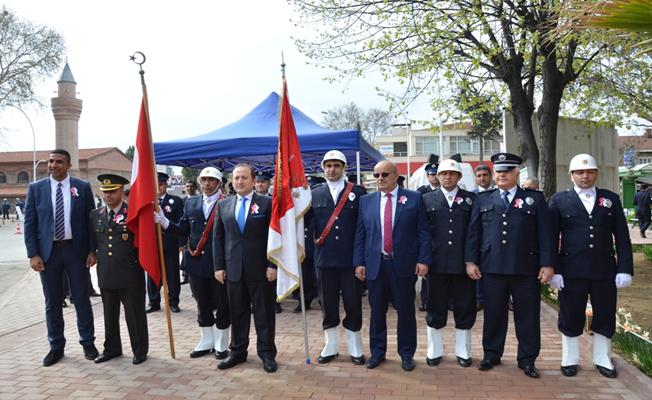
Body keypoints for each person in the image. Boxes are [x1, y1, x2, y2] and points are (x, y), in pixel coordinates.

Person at [466, 152, 555, 379]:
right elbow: (473, 234)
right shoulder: (483, 199)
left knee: (527, 316)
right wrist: (470, 261)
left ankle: (527, 360)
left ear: (517, 172)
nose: (502, 175)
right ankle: (491, 354)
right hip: (492, 267)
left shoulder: (534, 199)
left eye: (507, 171)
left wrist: (547, 264)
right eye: (499, 171)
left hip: (525, 268)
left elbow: (546, 234)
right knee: (494, 314)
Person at [549, 154, 633, 378]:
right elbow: (550, 238)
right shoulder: (559, 200)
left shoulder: (611, 199)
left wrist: (625, 268)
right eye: (579, 172)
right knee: (570, 314)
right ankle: (570, 358)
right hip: (571, 270)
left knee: (605, 314)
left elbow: (622, 237)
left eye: (589, 172)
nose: (584, 176)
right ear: (571, 175)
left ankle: (602, 358)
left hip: (604, 269)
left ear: (596, 173)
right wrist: (554, 270)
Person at [353, 160, 431, 371]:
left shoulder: (414, 199)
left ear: (396, 176)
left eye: (385, 174)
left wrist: (423, 260)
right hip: (375, 265)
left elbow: (423, 232)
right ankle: (377, 352)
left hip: (403, 264)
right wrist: (359, 262)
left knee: (405, 312)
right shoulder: (366, 201)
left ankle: (406, 353)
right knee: (377, 312)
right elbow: (360, 234)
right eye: (376, 175)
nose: (380, 179)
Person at [23, 149, 98, 366]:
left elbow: (90, 221)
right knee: (52, 301)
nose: (53, 165)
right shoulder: (36, 189)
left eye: (59, 162)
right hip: (48, 254)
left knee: (81, 299)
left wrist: (93, 250)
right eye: (51, 161)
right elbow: (30, 223)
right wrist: (33, 254)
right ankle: (56, 346)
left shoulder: (82, 188)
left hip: (76, 252)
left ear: (68, 165)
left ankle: (88, 343)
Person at [156, 167, 231, 360]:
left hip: (219, 264)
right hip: (196, 262)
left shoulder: (228, 202)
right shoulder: (191, 203)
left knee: (222, 303)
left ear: (219, 183)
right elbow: (183, 229)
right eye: (203, 180)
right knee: (202, 302)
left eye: (211, 180)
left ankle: (221, 343)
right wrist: (164, 222)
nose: (206, 184)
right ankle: (206, 340)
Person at [213, 163, 278, 373]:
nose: (239, 181)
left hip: (260, 269)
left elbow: (275, 238)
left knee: (264, 314)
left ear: (253, 180)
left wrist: (272, 264)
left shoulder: (267, 204)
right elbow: (218, 238)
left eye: (243, 178)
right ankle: (238, 352)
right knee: (238, 313)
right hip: (233, 270)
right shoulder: (224, 205)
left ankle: (267, 353)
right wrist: (219, 266)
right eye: (236, 178)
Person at [310, 150, 367, 365]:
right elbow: (306, 225)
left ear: (345, 168)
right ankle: (330, 345)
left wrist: (361, 259)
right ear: (323, 168)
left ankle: (355, 346)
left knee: (353, 303)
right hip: (324, 260)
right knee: (328, 303)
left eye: (336, 165)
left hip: (351, 260)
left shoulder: (359, 193)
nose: (332, 169)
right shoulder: (313, 193)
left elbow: (363, 228)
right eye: (328, 165)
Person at [422, 159, 478, 368]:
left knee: (464, 307)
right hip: (436, 265)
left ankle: (463, 351)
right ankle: (434, 350)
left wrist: (470, 261)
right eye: (443, 173)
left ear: (459, 177)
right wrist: (424, 260)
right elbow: (423, 234)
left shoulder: (471, 200)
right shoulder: (427, 199)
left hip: (462, 265)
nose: (447, 177)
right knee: (435, 307)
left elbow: (473, 233)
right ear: (437, 175)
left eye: (451, 174)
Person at [91, 174, 148, 365]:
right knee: (109, 315)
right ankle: (112, 348)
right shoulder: (96, 215)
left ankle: (140, 350)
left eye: (112, 192)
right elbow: (93, 243)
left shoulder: (133, 213)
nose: (108, 196)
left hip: (130, 273)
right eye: (105, 192)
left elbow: (145, 242)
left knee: (134, 314)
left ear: (122, 192)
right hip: (106, 273)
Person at [146, 172, 183, 313]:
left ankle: (173, 301)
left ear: (166, 185)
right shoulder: (148, 202)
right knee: (153, 274)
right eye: (156, 185)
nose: (159, 188)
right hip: (153, 244)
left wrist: (181, 243)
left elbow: (180, 224)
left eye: (161, 185)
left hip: (170, 243)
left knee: (172, 274)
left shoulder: (176, 201)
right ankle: (154, 301)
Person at [416, 162, 439, 311]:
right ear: (427, 176)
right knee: (427, 274)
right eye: (432, 174)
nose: (435, 177)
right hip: (427, 236)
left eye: (437, 173)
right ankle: (425, 301)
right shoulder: (421, 193)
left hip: (441, 237)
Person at [471, 164, 494, 311]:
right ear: (475, 179)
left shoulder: (498, 193)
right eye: (479, 176)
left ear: (491, 176)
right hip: (477, 239)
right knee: (477, 271)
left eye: (485, 175)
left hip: (493, 240)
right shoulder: (471, 196)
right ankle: (479, 299)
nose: (482, 178)